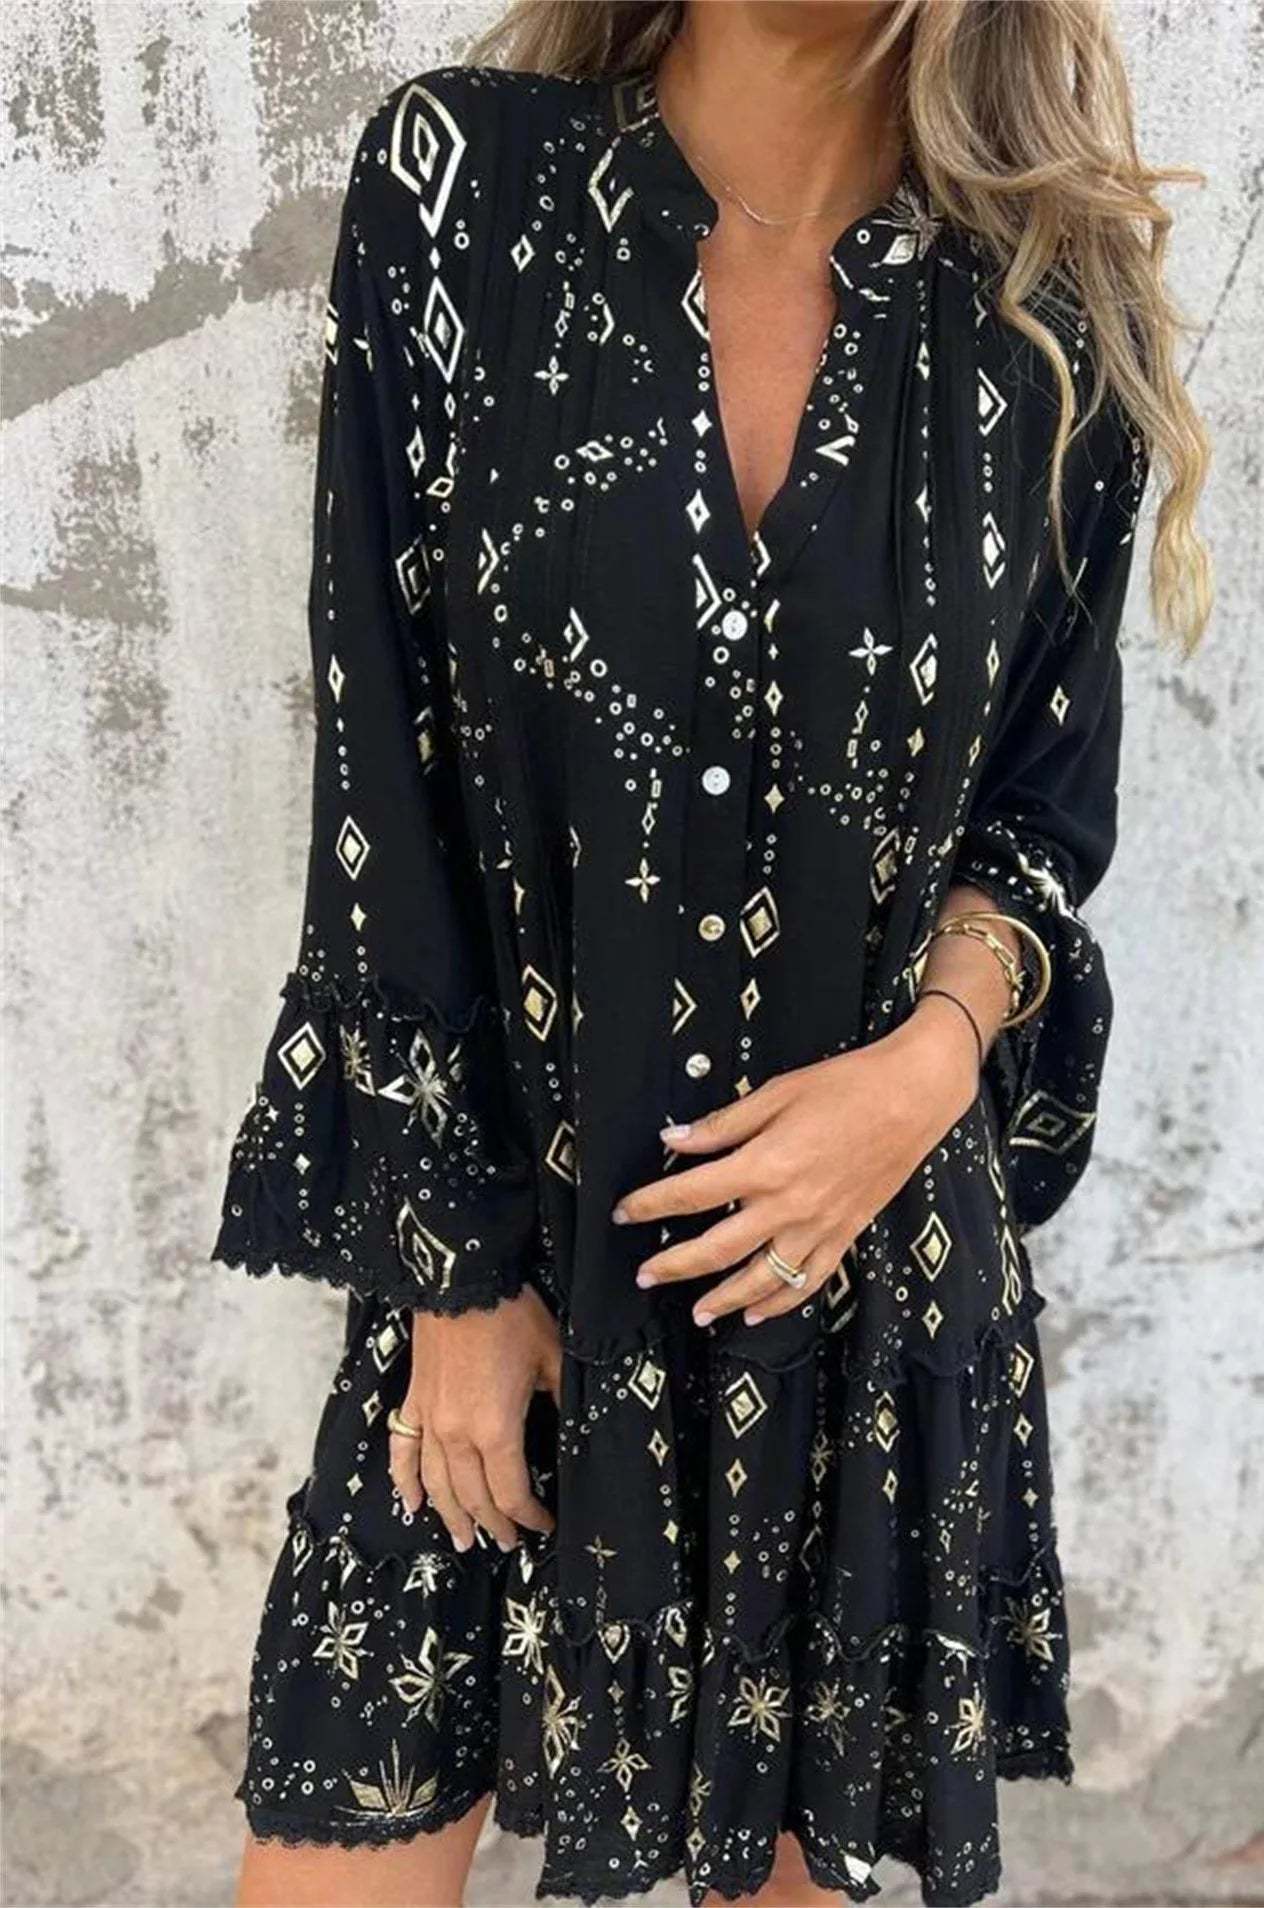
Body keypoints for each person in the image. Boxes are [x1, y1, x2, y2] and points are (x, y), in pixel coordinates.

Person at [212, 2, 1210, 1903]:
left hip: (848, 1275)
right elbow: (382, 767)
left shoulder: (1051, 316)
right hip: (504, 1266)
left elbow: (1036, 823)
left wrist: (924, 1071)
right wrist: (453, 1279)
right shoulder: (464, 191)